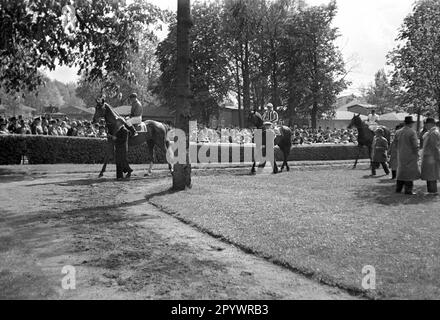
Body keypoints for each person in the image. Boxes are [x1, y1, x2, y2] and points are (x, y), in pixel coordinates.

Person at [394, 116, 421, 195]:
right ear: (411, 124)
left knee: (401, 171)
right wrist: (417, 154)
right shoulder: (412, 132)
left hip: (401, 154)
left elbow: (395, 144)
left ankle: (398, 188)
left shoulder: (398, 132)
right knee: (409, 173)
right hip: (410, 154)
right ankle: (408, 190)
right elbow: (415, 145)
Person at [420, 118, 440, 195]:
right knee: (429, 175)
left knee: (431, 175)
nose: (425, 125)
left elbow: (434, 146)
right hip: (429, 157)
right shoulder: (431, 132)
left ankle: (432, 191)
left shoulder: (433, 133)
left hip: (431, 157)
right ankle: (430, 191)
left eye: (426, 124)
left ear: (430, 124)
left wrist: (437, 157)